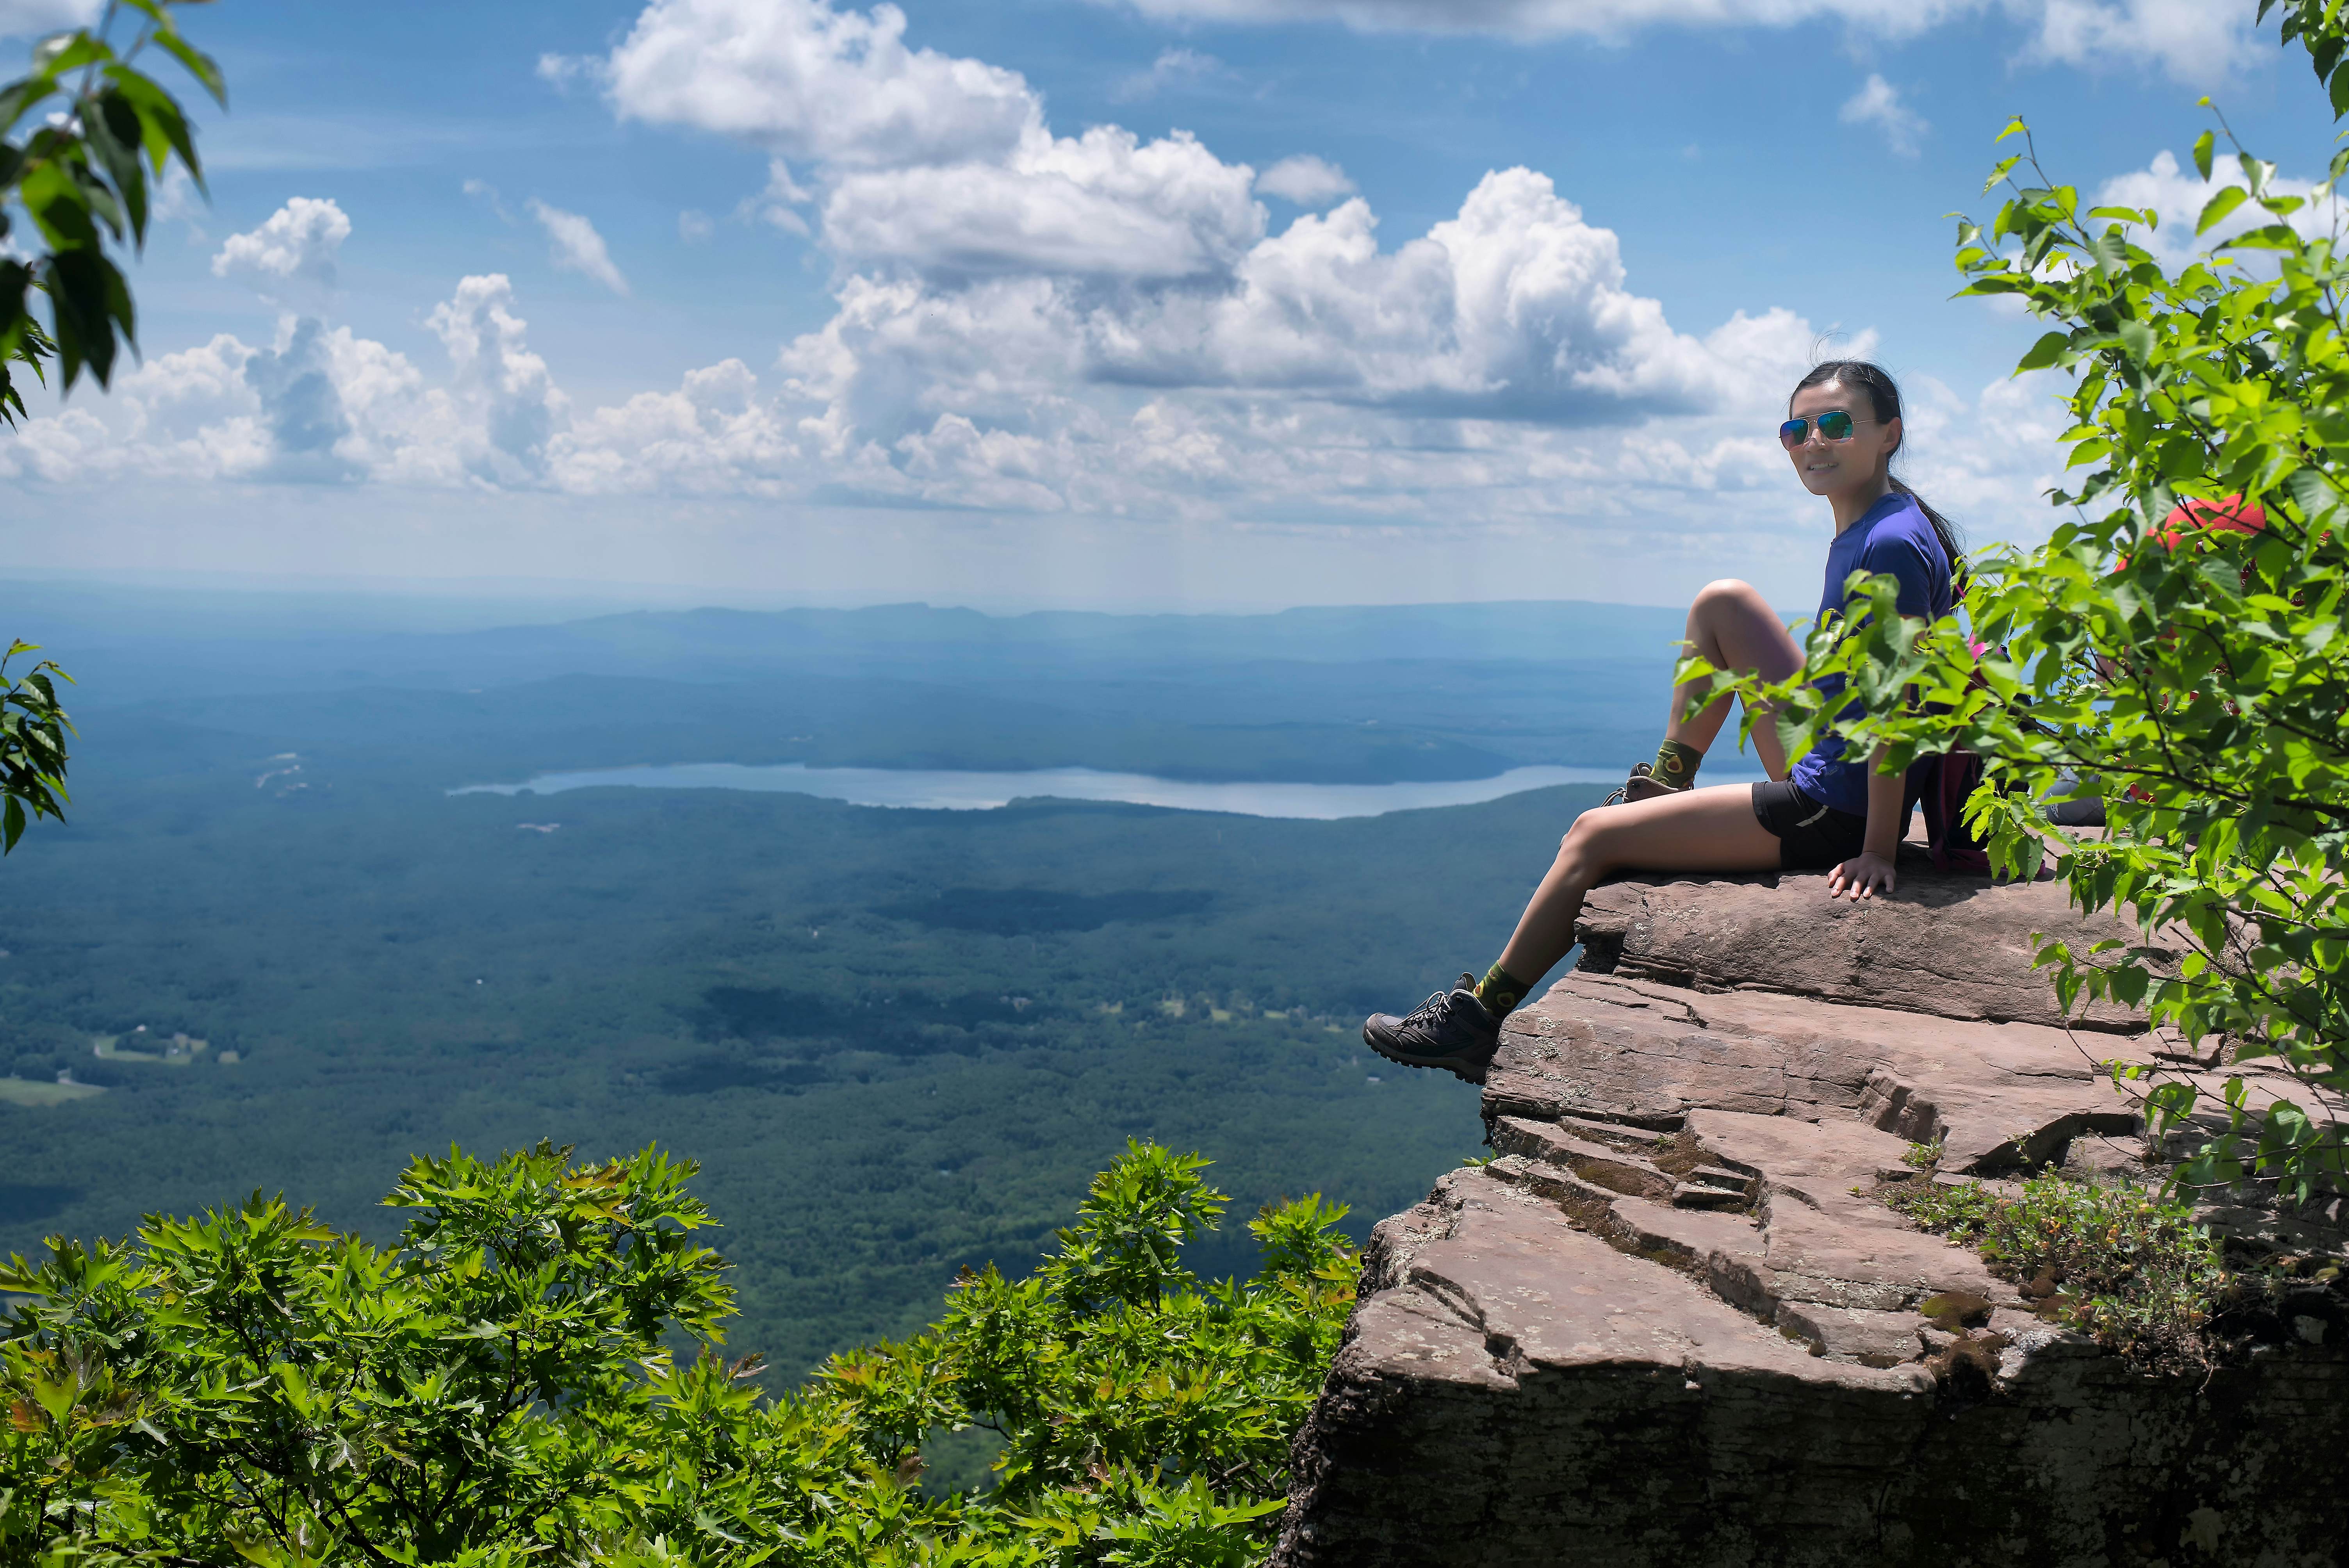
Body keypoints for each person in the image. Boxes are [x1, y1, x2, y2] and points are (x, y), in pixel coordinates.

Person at [1364, 359, 1963, 1082]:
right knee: (1725, 604)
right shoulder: (1886, 520)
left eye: (1836, 425)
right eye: (1796, 430)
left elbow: (1897, 706)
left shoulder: (1888, 543)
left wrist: (1876, 848)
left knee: (1592, 837)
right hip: (1834, 761)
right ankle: (1666, 786)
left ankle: (1478, 1016)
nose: (1814, 442)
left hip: (1832, 805)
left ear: (1889, 434)